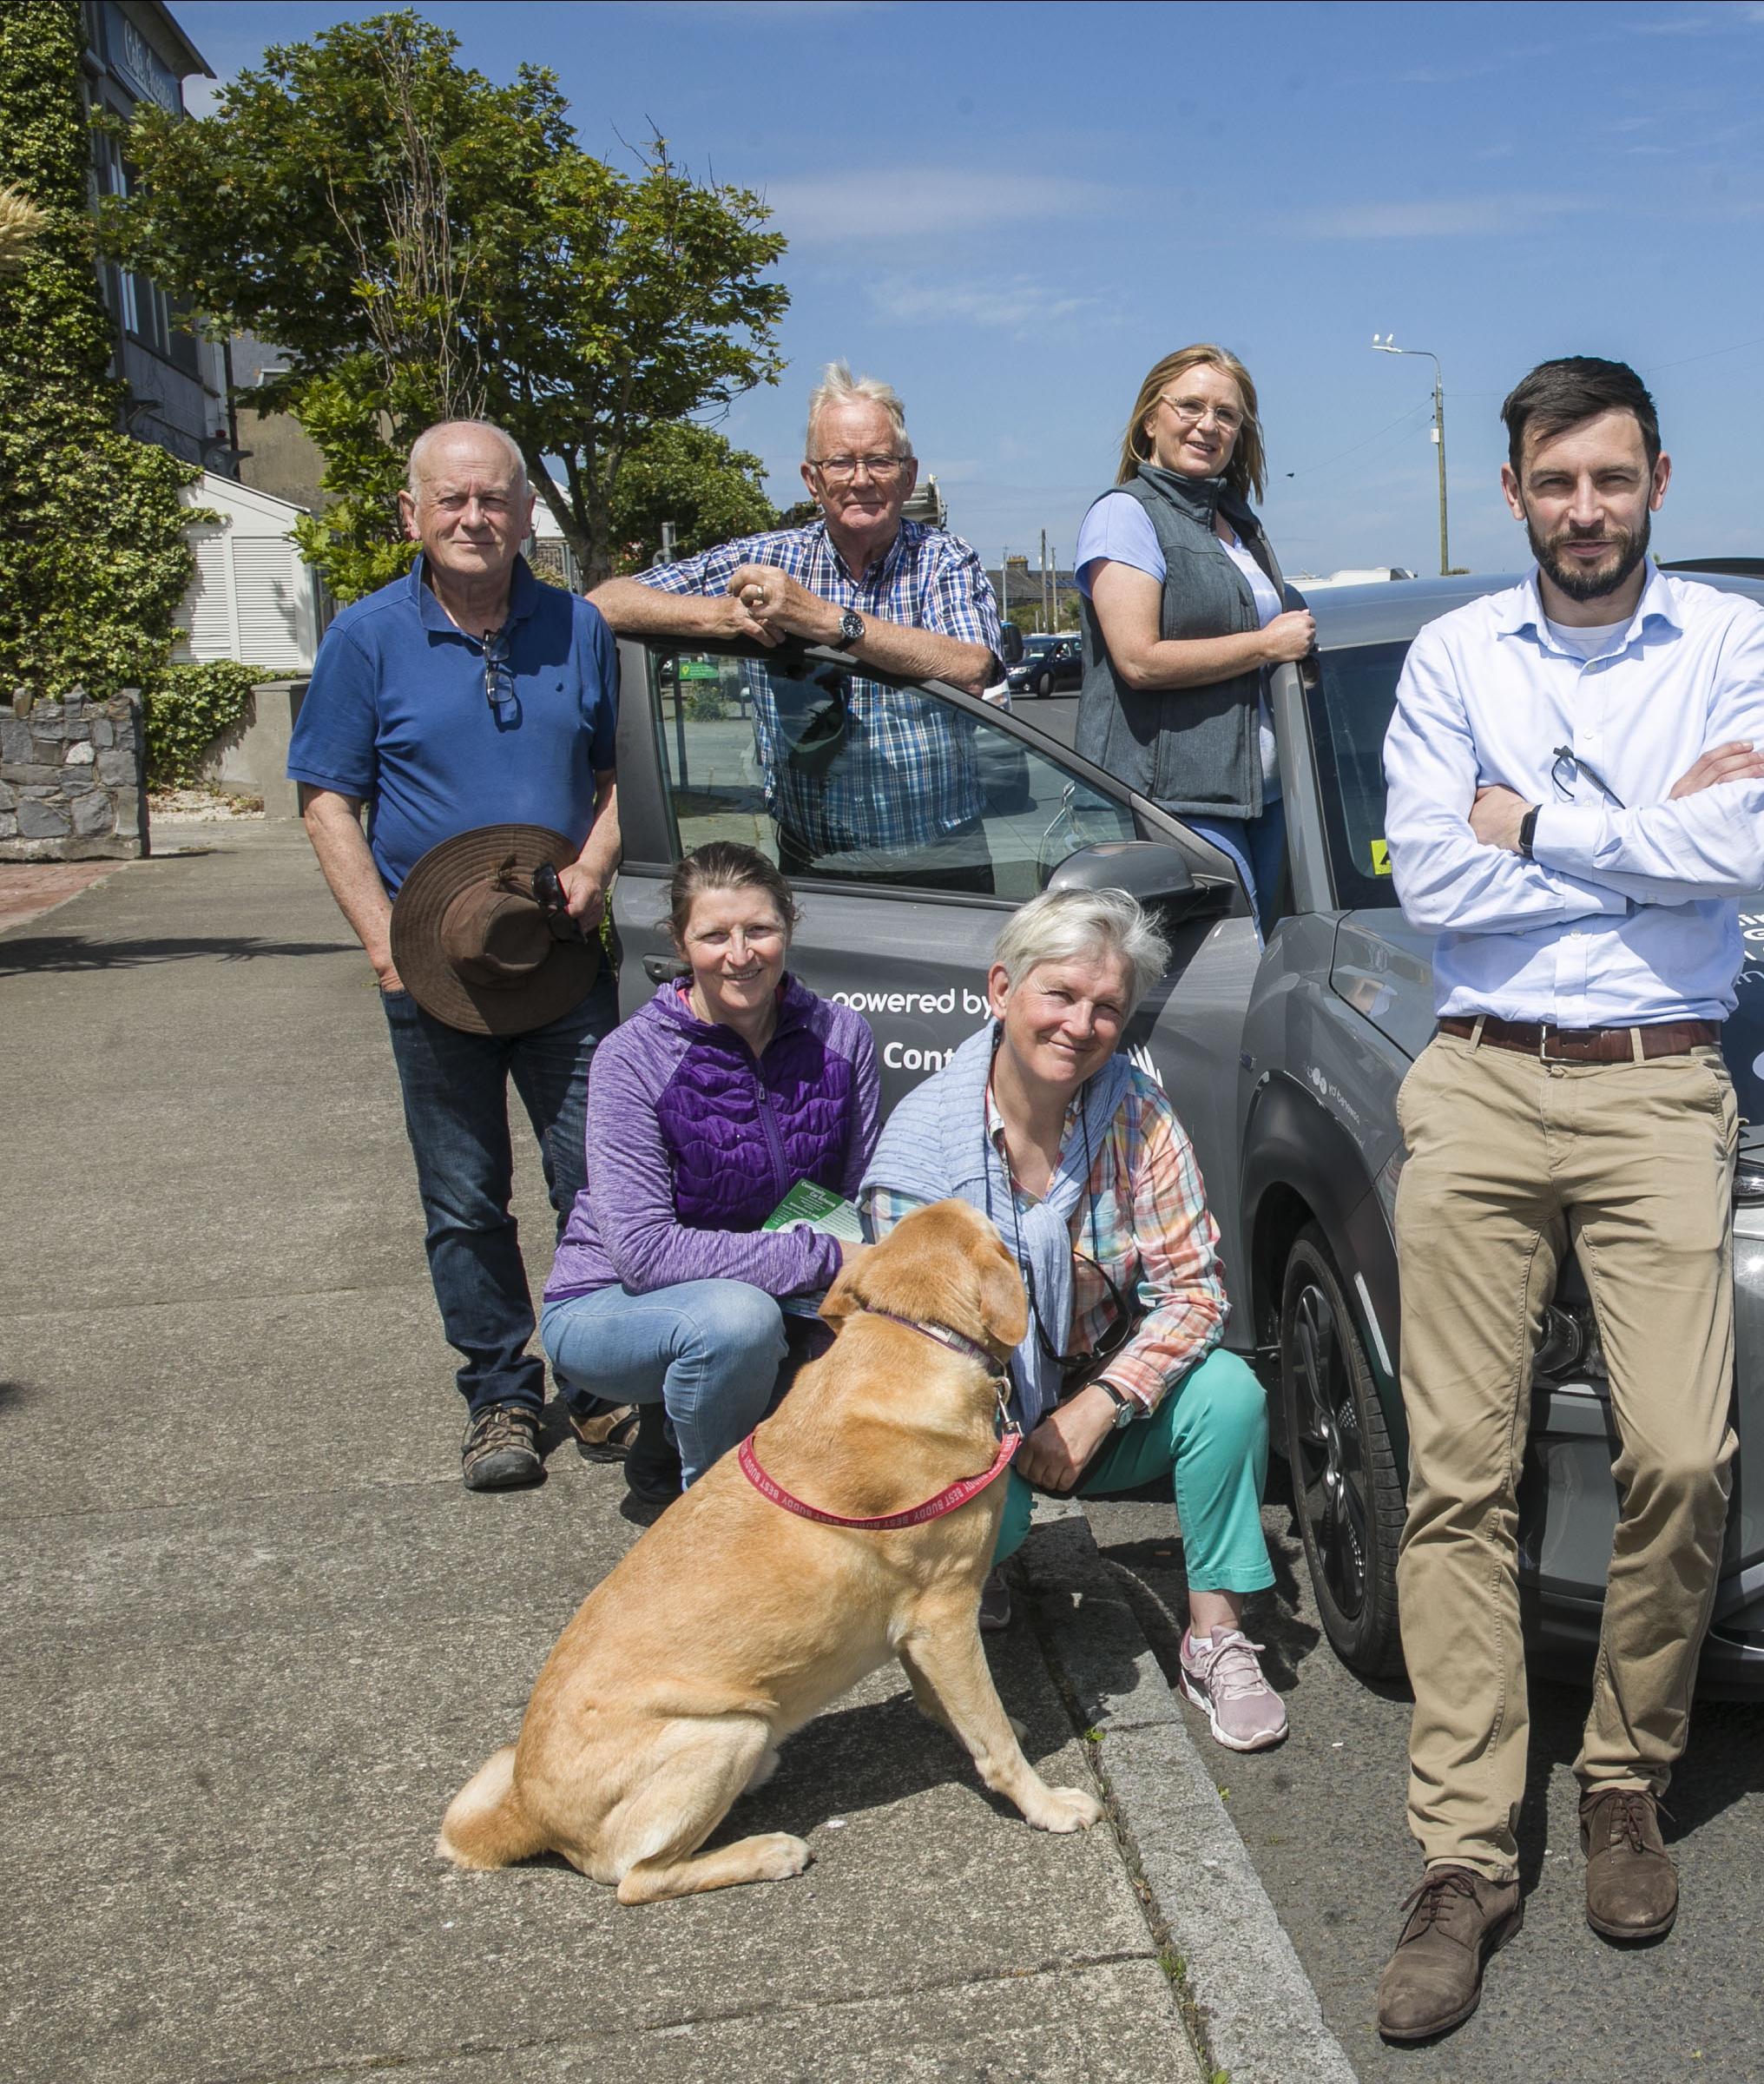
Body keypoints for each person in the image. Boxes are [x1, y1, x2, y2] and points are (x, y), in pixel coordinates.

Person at [1370, 357, 1764, 2041]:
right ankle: (1465, 1860)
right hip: (1475, 1071)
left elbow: (1740, 852)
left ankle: (1624, 1774)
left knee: (1681, 1453)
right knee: (1456, 1477)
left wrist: (1535, 817)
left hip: (1657, 1083)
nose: (1586, 511)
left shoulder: (1736, 646)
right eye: (1556, 483)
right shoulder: (1451, 657)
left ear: (1658, 482)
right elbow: (1432, 878)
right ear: (1516, 493)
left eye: (1612, 480)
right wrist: (1636, 834)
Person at [859, 886, 1287, 1750]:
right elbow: (909, 1361)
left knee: (1229, 1392)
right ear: (999, 990)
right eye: (1060, 994)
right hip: (971, 1431)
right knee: (982, 1526)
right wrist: (1016, 1444)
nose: (1080, 1025)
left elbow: (1194, 1293)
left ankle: (1214, 1637)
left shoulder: (1135, 1111)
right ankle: (975, 1573)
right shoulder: (920, 1149)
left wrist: (1097, 1408)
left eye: (1107, 1008)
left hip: (1093, 1399)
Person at [287, 420, 622, 1493]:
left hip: (559, 955)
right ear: (413, 515)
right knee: (466, 1198)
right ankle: (499, 1398)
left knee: (597, 1180)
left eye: (495, 500)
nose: (475, 519)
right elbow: (327, 799)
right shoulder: (368, 636)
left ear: (530, 513)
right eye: (452, 501)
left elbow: (619, 780)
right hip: (432, 971)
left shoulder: (579, 627)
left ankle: (597, 1371)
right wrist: (384, 944)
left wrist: (599, 863)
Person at [538, 843, 883, 1500]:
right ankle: (715, 1512)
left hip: (783, 1291)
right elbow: (643, 1254)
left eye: (760, 930)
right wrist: (819, 1260)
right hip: (614, 1301)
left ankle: (670, 1439)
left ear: (789, 927)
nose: (740, 954)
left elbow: (855, 1200)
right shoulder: (631, 1057)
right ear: (678, 939)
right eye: (713, 935)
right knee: (736, 1324)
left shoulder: (842, 1036)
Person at [590, 364, 1008, 893]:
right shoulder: (764, 559)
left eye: (880, 460)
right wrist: (717, 616)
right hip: (815, 866)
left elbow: (972, 667)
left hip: (947, 860)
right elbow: (604, 602)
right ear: (813, 480)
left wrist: (827, 620)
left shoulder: (945, 559)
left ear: (907, 475)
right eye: (841, 462)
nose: (861, 479)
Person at [1076, 344, 1314, 926]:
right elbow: (1139, 660)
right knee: (1227, 968)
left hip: (1267, 794)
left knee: (1270, 957)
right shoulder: (1124, 515)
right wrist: (1265, 646)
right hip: (1174, 801)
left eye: (1226, 414)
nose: (1208, 425)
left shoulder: (1238, 525)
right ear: (1149, 419)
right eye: (1190, 407)